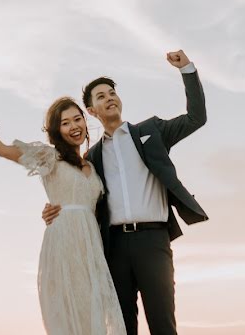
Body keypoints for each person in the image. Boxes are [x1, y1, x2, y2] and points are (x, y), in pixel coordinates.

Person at [41, 49, 208, 335]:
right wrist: (54, 209)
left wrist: (187, 71)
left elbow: (196, 118)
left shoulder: (151, 131)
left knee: (163, 324)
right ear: (92, 111)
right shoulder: (91, 159)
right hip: (113, 247)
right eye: (101, 96)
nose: (109, 98)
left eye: (111, 93)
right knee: (122, 326)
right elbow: (80, 197)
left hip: (153, 241)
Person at [0, 90, 126, 334]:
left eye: (77, 119)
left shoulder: (92, 165)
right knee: (71, 312)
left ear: (85, 120)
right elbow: (3, 150)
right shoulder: (50, 156)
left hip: (92, 248)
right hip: (64, 243)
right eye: (65, 122)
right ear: (56, 130)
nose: (74, 126)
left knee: (94, 314)